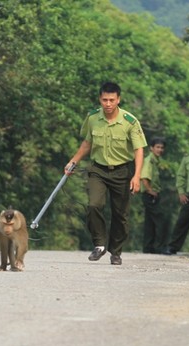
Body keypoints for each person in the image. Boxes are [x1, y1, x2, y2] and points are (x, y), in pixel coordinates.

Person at [65, 82, 147, 266]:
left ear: (118, 99)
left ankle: (115, 252)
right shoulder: (93, 118)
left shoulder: (130, 121)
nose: (108, 104)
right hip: (98, 170)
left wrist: (137, 176)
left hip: (122, 171)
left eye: (111, 100)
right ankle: (99, 244)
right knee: (94, 205)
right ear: (99, 99)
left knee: (121, 215)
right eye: (104, 100)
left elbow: (139, 150)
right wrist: (73, 161)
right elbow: (87, 143)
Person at [140, 138, 169, 253]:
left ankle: (148, 247)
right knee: (161, 220)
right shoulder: (149, 161)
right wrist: (150, 191)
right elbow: (144, 178)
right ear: (151, 148)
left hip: (153, 195)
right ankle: (160, 247)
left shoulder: (156, 161)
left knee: (150, 222)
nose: (160, 150)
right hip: (149, 195)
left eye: (162, 148)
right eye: (157, 147)